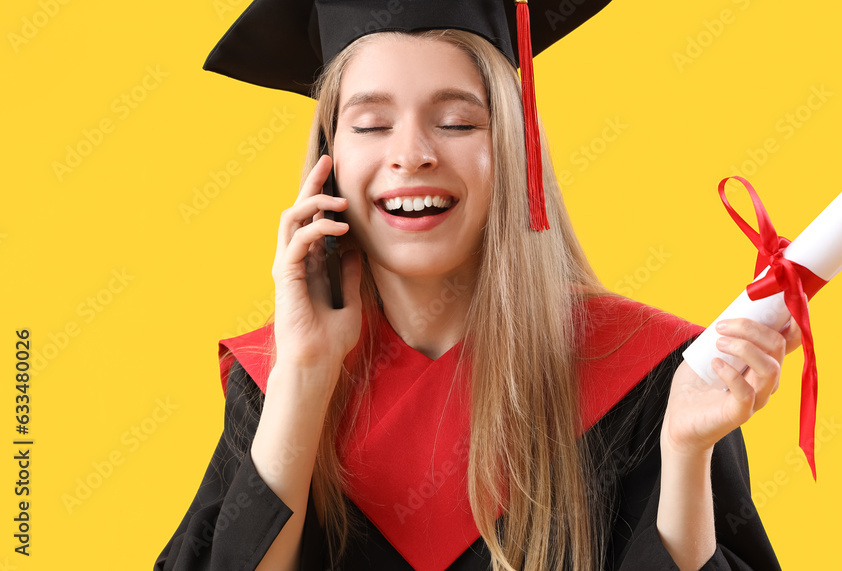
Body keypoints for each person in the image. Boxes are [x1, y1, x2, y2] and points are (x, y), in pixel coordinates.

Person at [155, 1, 802, 569]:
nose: (412, 153)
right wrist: (303, 374)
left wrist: (685, 454)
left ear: (517, 150)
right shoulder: (273, 384)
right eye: (370, 124)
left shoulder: (650, 384)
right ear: (328, 166)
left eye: (458, 122)